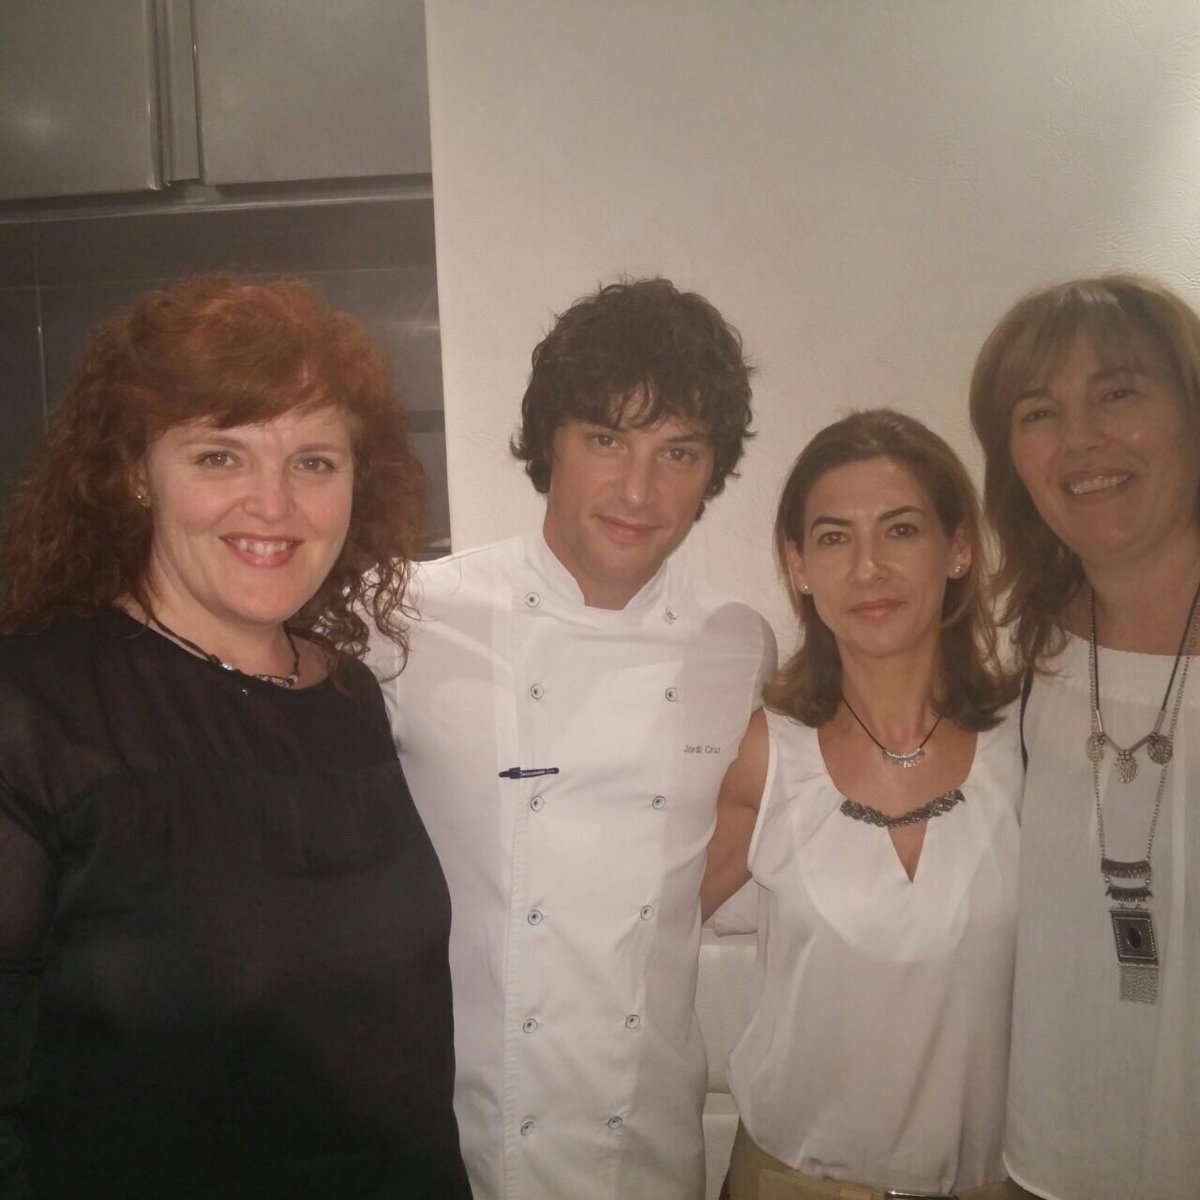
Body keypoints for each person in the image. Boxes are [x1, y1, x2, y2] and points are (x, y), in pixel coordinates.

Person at [0, 275, 471, 1199]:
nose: (273, 505)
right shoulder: (35, 713)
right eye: (220, 456)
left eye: (314, 462)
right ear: (136, 471)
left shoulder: (349, 699)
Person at [368, 277, 776, 1200]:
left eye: (678, 452)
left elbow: (706, 857)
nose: (639, 489)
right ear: (549, 440)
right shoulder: (405, 616)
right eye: (606, 439)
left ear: (712, 472)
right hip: (461, 1147)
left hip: (653, 1148)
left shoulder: (739, 644)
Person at [702, 409, 1022, 1200]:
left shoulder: (1031, 747)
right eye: (835, 537)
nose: (868, 568)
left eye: (901, 530)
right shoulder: (765, 755)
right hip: (790, 1183)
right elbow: (634, 931)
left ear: (958, 549)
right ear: (799, 564)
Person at [970, 274, 1200, 1200]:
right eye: (1040, 413)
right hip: (1048, 1160)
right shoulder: (1032, 655)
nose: (1080, 441)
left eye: (1118, 392)